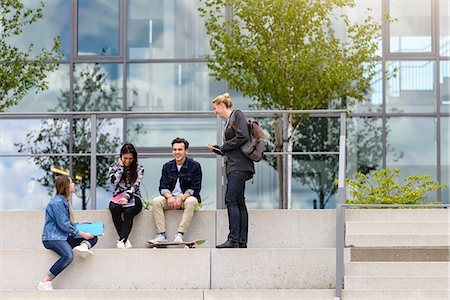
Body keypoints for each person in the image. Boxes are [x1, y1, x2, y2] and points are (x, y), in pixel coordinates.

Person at [207, 93, 255, 248]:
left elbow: (243, 136)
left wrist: (224, 147)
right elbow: (230, 147)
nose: (215, 111)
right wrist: (217, 149)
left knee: (230, 199)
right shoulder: (229, 122)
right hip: (235, 165)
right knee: (239, 202)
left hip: (239, 166)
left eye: (215, 108)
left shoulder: (237, 115)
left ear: (222, 106)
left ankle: (233, 239)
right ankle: (241, 241)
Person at [38, 175, 97, 290]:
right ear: (66, 186)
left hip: (63, 236)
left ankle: (83, 246)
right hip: (52, 238)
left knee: (93, 237)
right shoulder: (57, 202)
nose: (74, 184)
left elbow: (66, 224)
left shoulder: (64, 201)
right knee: (68, 255)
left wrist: (80, 225)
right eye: (71, 182)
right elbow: (63, 225)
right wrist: (81, 233)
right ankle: (45, 281)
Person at [149, 137, 202, 243]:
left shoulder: (195, 166)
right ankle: (162, 235)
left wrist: (181, 198)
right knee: (156, 201)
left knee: (192, 201)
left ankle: (180, 234)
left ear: (186, 151)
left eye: (180, 149)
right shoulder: (167, 166)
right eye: (175, 149)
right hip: (170, 200)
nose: (177, 152)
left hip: (185, 200)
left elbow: (195, 188)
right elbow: (162, 186)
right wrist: (170, 197)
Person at [109, 143, 144, 249]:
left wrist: (127, 197)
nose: (128, 161)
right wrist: (120, 168)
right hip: (118, 197)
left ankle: (121, 240)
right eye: (125, 158)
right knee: (114, 208)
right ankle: (124, 239)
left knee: (129, 210)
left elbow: (135, 185)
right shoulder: (113, 167)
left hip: (134, 196)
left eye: (130, 158)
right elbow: (114, 183)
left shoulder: (139, 168)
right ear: (121, 156)